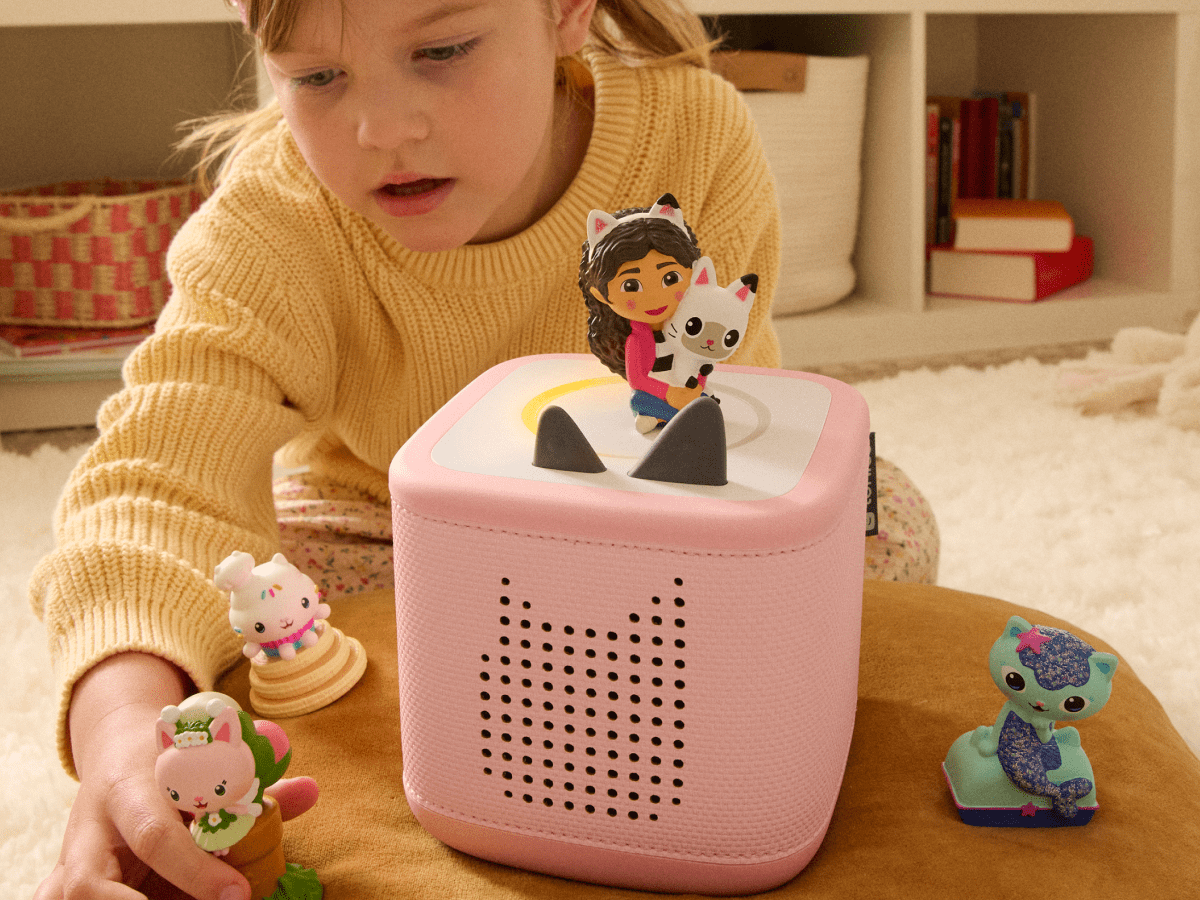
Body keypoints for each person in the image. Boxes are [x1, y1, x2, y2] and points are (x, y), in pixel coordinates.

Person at [31, 0, 935, 897]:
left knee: (880, 517)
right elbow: (157, 481)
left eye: (444, 50)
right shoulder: (273, 219)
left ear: (566, 13)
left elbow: (728, 425)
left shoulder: (690, 132)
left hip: (655, 524)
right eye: (316, 77)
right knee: (240, 617)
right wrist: (119, 718)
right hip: (378, 519)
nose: (383, 128)